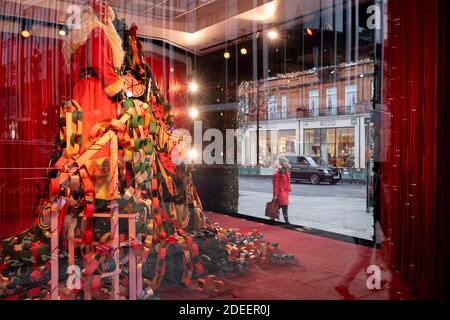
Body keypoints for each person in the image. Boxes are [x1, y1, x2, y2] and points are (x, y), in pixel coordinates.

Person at [272, 156, 292, 224]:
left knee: (280, 206)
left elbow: (288, 181)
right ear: (281, 163)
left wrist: (289, 188)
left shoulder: (287, 169)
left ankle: (272, 218)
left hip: (285, 191)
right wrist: (275, 194)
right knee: (284, 205)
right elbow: (275, 184)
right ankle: (287, 221)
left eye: (286, 161)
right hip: (280, 192)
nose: (286, 163)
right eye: (284, 161)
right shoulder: (278, 171)